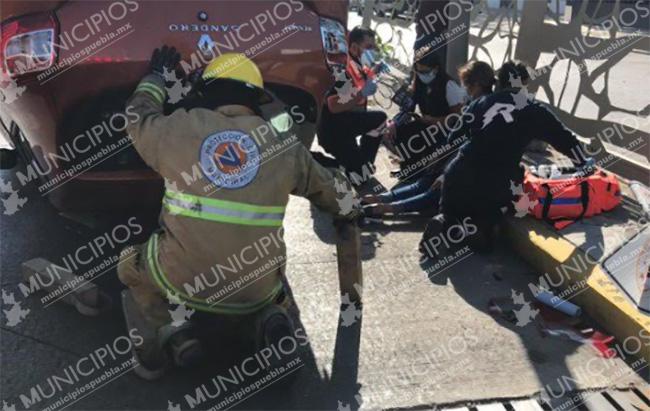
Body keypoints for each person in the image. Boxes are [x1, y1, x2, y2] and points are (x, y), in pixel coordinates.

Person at [119, 46, 356, 379]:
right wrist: (350, 195)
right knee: (264, 296)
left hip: (183, 282)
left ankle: (173, 334)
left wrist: (156, 78)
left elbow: (137, 117)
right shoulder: (283, 145)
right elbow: (338, 197)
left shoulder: (178, 128)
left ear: (206, 91)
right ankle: (269, 320)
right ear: (255, 99)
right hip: (256, 289)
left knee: (130, 266)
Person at [421, 60, 591, 255]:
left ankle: (445, 222)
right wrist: (582, 164)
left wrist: (441, 173)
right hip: (494, 185)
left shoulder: (479, 104)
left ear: (499, 81)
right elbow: (564, 139)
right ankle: (472, 229)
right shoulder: (534, 110)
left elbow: (452, 141)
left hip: (457, 177)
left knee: (452, 211)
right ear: (524, 83)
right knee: (486, 236)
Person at [361, 61, 494, 218]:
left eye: (467, 85)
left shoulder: (475, 105)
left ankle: (383, 204)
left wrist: (446, 169)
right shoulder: (482, 105)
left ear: (477, 85)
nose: (466, 88)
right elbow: (458, 138)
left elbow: (465, 141)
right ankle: (383, 203)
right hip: (454, 156)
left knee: (431, 188)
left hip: (462, 160)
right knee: (427, 185)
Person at [317, 26, 388, 186]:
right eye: (369, 47)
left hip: (345, 128)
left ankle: (360, 164)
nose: (372, 51)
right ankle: (315, 161)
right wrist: (362, 94)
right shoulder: (344, 68)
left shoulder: (355, 63)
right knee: (381, 118)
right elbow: (333, 105)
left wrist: (374, 72)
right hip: (334, 134)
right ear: (355, 46)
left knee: (360, 176)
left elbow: (360, 79)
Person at [391, 46, 467, 179]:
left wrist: (434, 120)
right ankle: (408, 168)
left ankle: (417, 172)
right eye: (418, 71)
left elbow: (458, 117)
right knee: (400, 131)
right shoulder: (419, 81)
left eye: (425, 72)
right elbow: (410, 103)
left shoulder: (448, 85)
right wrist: (395, 121)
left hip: (444, 128)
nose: (422, 75)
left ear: (436, 68)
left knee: (417, 138)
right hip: (427, 122)